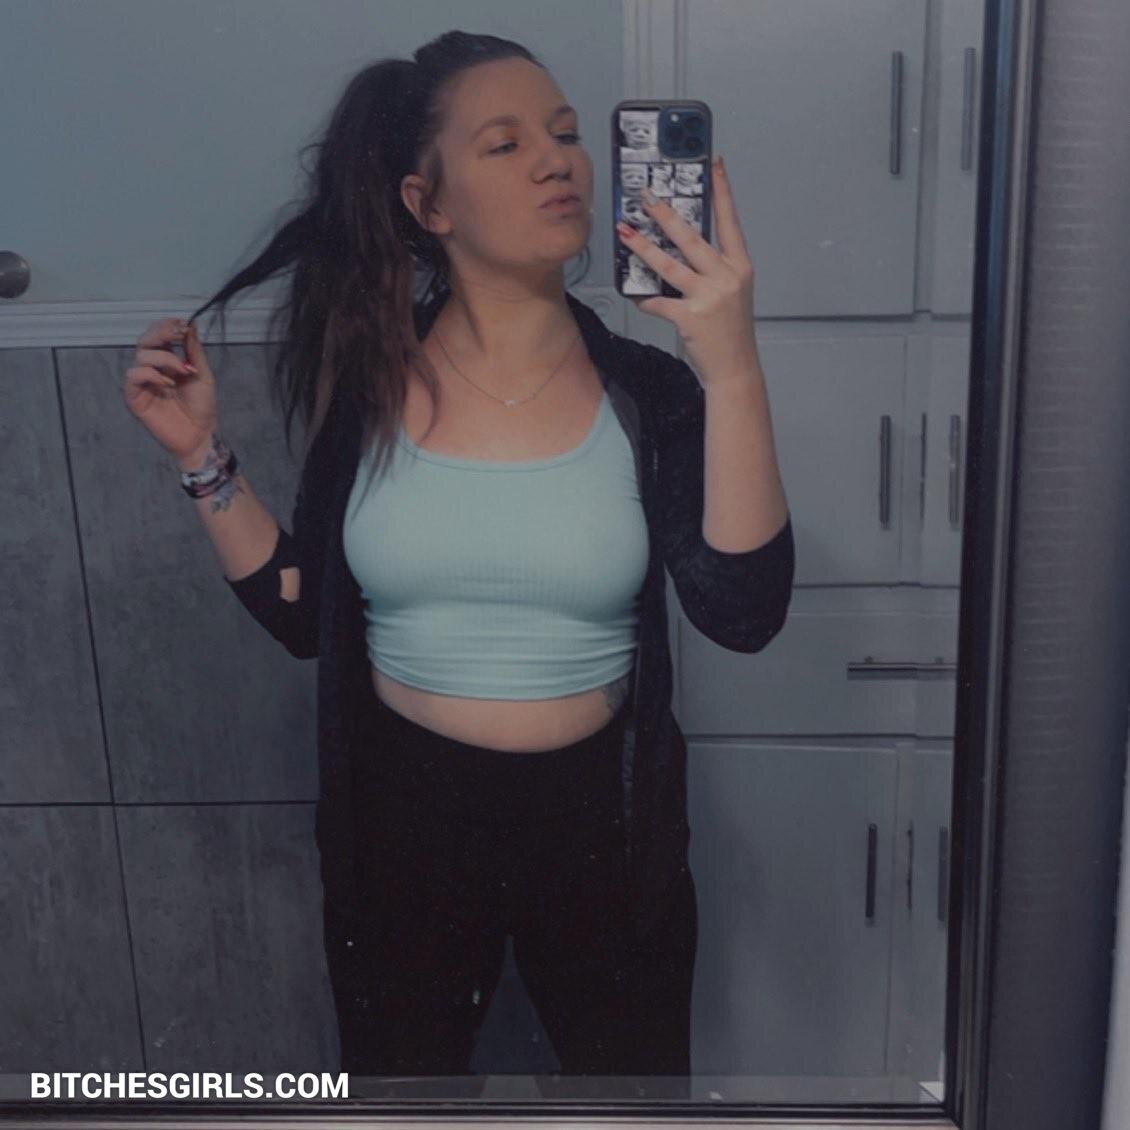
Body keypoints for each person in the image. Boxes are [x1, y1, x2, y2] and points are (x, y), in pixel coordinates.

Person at [122, 30, 794, 1093]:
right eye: (505, 143)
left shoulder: (649, 393)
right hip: (402, 823)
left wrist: (732, 361)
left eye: (566, 134)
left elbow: (743, 610)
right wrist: (200, 457)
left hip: (604, 829)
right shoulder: (368, 393)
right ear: (427, 203)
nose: (556, 160)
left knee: (629, 1109)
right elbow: (305, 612)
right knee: (404, 1103)